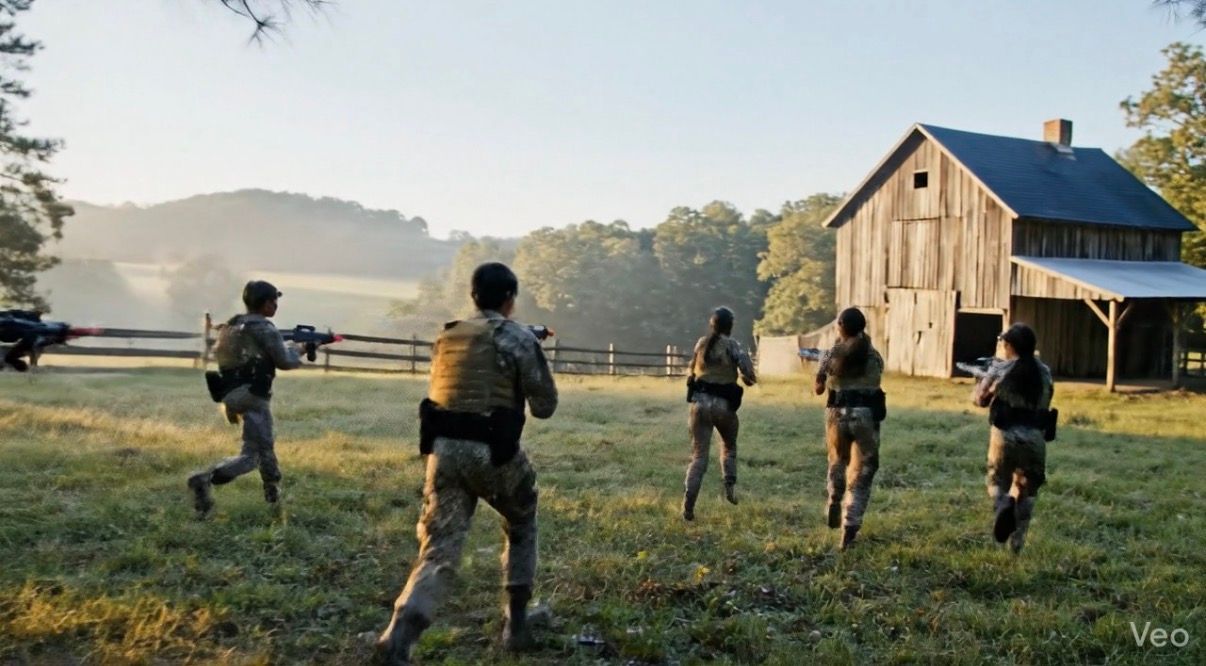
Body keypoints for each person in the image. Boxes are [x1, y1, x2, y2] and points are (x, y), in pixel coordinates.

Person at [377, 262, 558, 665]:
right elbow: (545, 406)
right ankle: (516, 625)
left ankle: (399, 634)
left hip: (442, 452)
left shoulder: (447, 336)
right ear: (510, 299)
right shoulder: (517, 338)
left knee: (439, 548)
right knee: (522, 519)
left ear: (473, 296)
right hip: (493, 451)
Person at [187, 281, 306, 517]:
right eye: (273, 301)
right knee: (255, 455)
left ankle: (273, 497)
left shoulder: (233, 325)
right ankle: (205, 479)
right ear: (264, 303)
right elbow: (285, 361)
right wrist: (300, 350)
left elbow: (248, 354)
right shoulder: (264, 328)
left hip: (233, 393)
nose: (276, 305)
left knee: (260, 446)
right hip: (253, 395)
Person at [972, 323, 1054, 554]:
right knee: (1027, 491)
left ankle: (1003, 505)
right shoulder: (1044, 372)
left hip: (1004, 437)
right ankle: (1016, 546)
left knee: (997, 482)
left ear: (1009, 346)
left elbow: (980, 400)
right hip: (1035, 440)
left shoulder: (1001, 369)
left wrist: (984, 379)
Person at [813, 307, 885, 550]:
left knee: (837, 460)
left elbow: (818, 389)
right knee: (863, 472)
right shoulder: (874, 355)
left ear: (841, 326)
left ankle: (834, 495)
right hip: (865, 415)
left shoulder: (830, 354)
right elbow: (876, 380)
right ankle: (850, 528)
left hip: (835, 413)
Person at [682, 307, 756, 521]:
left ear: (712, 324)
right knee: (729, 446)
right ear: (730, 326)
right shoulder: (734, 346)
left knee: (698, 456)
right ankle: (729, 487)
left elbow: (691, 372)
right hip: (724, 407)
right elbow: (749, 376)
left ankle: (688, 504)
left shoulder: (701, 344)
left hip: (699, 406)